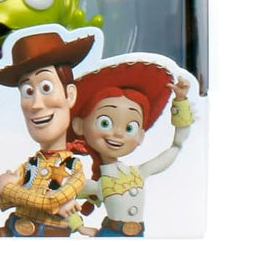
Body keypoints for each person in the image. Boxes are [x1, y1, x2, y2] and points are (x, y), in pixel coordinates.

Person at [0, 29, 94, 237]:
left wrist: (7, 187)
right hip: (14, 230)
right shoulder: (30, 165)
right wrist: (4, 189)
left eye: (46, 87)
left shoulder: (74, 168)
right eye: (27, 91)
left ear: (70, 95)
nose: (36, 104)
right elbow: (1, 199)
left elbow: (50, 201)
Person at [70, 61, 194, 237]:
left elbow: (176, 146)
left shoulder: (139, 173)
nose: (118, 134)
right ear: (79, 126)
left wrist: (181, 102)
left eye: (130, 128)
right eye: (105, 123)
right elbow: (57, 197)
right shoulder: (98, 185)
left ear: (140, 135)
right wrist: (78, 226)